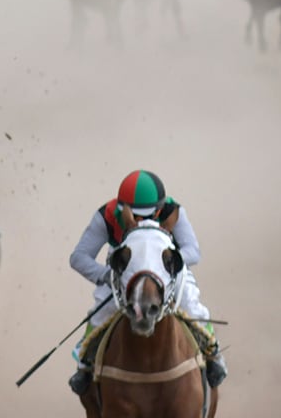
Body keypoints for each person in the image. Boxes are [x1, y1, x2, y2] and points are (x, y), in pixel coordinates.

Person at [66, 169, 227, 394]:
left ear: (160, 209)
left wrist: (174, 260)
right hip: (128, 267)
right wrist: (105, 275)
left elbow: (193, 250)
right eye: (138, 218)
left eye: (151, 216)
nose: (144, 223)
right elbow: (79, 257)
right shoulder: (106, 215)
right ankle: (84, 364)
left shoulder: (173, 211)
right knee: (101, 309)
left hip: (166, 268)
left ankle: (214, 354)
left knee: (191, 302)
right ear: (123, 210)